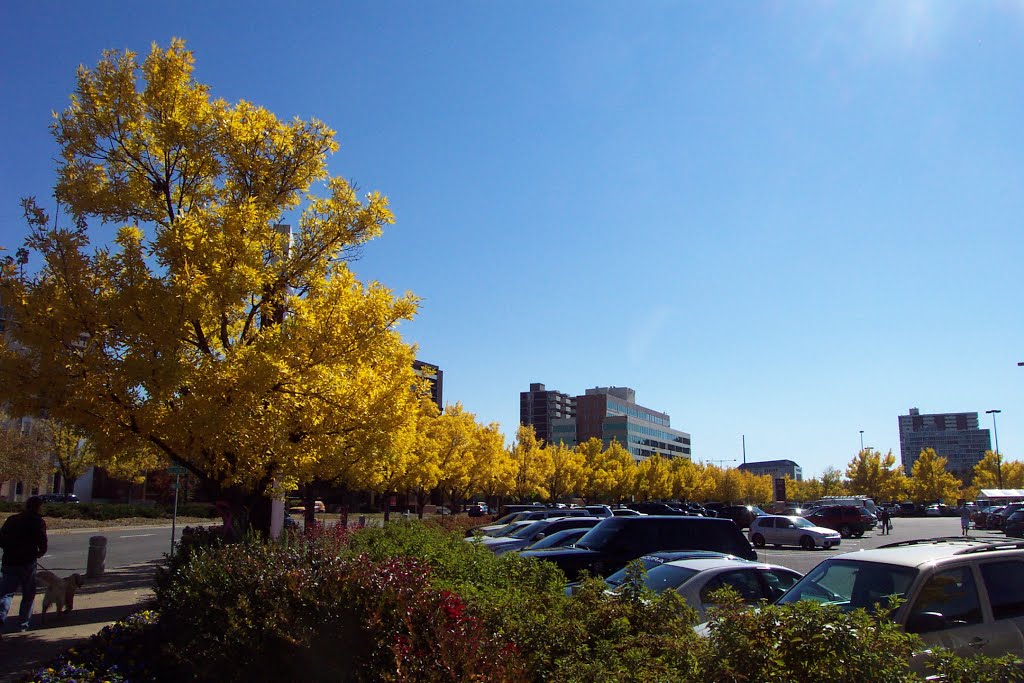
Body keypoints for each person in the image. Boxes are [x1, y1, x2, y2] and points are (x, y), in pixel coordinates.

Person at [0, 496, 48, 635]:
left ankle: (1, 616)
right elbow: (43, 543)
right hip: (28, 562)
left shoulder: (12, 519)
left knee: (6, 593)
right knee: (28, 594)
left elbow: (1, 538)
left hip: (10, 560)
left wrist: (9, 548)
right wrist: (39, 553)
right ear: (38, 507)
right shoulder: (38, 522)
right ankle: (23, 624)